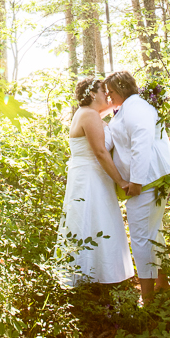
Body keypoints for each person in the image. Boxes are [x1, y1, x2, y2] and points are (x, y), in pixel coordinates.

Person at [105, 70, 170, 304]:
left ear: (122, 89)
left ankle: (147, 297)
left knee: (140, 237)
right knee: (152, 232)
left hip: (148, 179)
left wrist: (136, 181)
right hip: (152, 177)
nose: (109, 96)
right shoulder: (128, 108)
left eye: (111, 92)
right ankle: (163, 286)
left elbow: (141, 141)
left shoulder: (136, 107)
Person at [56, 76, 135, 287]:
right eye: (103, 92)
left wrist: (125, 99)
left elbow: (108, 109)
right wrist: (121, 181)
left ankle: (97, 276)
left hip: (91, 175)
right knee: (91, 221)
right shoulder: (89, 115)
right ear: (92, 94)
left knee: (96, 221)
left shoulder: (89, 113)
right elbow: (100, 151)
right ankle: (92, 279)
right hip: (90, 177)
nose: (107, 95)